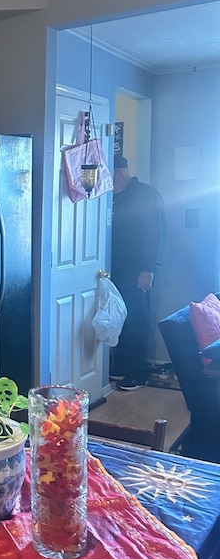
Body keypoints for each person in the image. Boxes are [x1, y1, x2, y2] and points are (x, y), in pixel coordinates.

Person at [110, 153, 166, 390]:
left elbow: (156, 234)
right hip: (114, 269)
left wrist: (148, 269)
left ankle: (138, 372)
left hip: (136, 270)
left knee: (136, 320)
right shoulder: (114, 197)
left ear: (117, 172)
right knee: (118, 318)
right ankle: (121, 367)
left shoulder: (146, 194)